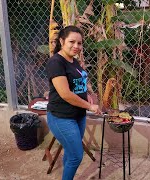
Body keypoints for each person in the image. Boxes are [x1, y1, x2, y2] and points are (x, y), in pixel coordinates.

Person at [46, 25, 101, 180]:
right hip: (61, 117)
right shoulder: (56, 62)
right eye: (72, 42)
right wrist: (90, 106)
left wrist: (88, 95)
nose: (76, 46)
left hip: (78, 115)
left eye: (79, 43)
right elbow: (65, 94)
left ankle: (66, 175)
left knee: (71, 154)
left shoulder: (73, 61)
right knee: (77, 156)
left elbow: (79, 84)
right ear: (62, 41)